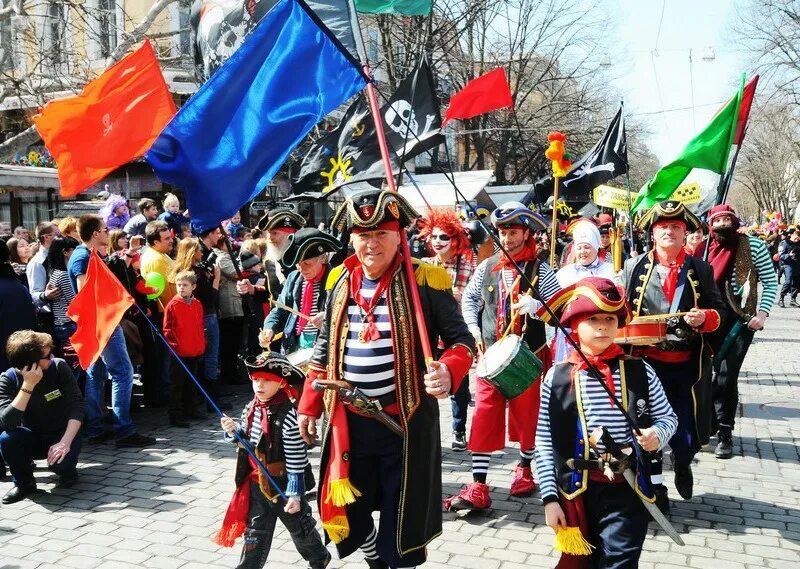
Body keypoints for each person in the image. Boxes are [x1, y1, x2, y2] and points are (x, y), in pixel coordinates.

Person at [297, 190, 475, 568]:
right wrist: (309, 404)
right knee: (351, 514)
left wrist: (448, 369)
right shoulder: (338, 281)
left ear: (399, 236)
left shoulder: (426, 280)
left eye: (381, 233)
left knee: (402, 524)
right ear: (351, 239)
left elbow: (462, 341)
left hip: (404, 424)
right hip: (349, 424)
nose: (371, 243)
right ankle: (374, 556)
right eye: (363, 234)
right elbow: (324, 348)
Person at [534, 278, 677, 568]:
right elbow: (544, 442)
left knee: (619, 560)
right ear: (574, 325)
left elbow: (668, 417)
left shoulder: (640, 370)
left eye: (609, 319)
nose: (602, 326)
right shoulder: (557, 377)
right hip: (576, 492)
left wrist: (656, 435)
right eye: (592, 319)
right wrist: (549, 498)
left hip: (628, 487)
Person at [446, 201, 560, 512]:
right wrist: (472, 329)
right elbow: (469, 302)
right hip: (489, 355)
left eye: (513, 232)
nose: (507, 238)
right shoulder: (486, 267)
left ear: (526, 233)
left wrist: (536, 308)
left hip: (528, 356)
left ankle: (524, 467)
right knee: (483, 416)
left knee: (529, 418)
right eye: (503, 232)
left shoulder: (542, 270)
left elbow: (560, 310)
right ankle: (479, 483)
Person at [621, 200, 724, 507]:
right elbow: (623, 310)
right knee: (645, 426)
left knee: (685, 429)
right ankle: (657, 489)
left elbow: (718, 311)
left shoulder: (700, 268)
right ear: (654, 234)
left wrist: (704, 317)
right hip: (645, 362)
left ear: (684, 234)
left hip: (686, 367)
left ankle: (682, 461)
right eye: (663, 227)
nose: (670, 232)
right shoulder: (633, 265)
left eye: (676, 228)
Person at [216, 352, 330, 569]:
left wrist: (295, 495)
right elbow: (247, 440)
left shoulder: (289, 417)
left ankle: (318, 557)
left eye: (266, 380)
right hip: (257, 483)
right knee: (255, 532)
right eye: (256, 379)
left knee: (300, 528)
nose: (259, 385)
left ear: (281, 381)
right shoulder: (251, 408)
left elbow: (297, 460)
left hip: (283, 485)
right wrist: (234, 431)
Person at [694, 205, 778, 458]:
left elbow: (770, 281)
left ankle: (725, 433)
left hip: (739, 320)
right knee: (704, 376)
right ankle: (706, 424)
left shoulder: (753, 246)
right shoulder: (702, 248)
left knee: (726, 377)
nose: (721, 223)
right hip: (707, 320)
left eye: (725, 219)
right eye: (716, 220)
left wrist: (761, 314)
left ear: (734, 221)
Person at [68, 214, 155, 448]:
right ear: (95, 233)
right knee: (123, 372)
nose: (108, 232)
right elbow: (85, 293)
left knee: (96, 375)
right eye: (105, 229)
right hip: (102, 324)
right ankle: (124, 430)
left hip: (101, 322)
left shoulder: (92, 255)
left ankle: (96, 428)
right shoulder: (83, 257)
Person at [0, 330, 86, 503]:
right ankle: (24, 484)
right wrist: (28, 385)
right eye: (47, 355)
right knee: (7, 438)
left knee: (61, 466)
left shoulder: (58, 366)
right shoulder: (8, 378)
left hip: (63, 434)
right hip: (34, 436)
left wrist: (65, 442)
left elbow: (77, 405)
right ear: (32, 364)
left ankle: (68, 471)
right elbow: (7, 422)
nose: (52, 356)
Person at [418, 209, 477, 452]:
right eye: (434, 237)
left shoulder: (467, 265)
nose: (438, 242)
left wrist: (459, 298)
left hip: (456, 334)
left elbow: (476, 299)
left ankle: (459, 428)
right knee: (427, 384)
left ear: (456, 240)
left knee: (459, 387)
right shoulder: (424, 266)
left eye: (444, 237)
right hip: (431, 336)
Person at [258, 228, 341, 355]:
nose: (301, 269)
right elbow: (279, 310)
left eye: (307, 263)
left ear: (323, 258)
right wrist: (269, 328)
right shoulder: (294, 277)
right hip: (294, 345)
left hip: (325, 348)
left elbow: (346, 316)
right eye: (298, 264)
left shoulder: (337, 279)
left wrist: (328, 318)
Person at [552, 220, 616, 363]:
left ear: (596, 247)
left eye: (587, 247)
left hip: (602, 331)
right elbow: (553, 305)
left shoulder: (610, 270)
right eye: (579, 248)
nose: (583, 252)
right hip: (571, 335)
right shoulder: (563, 274)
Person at [162, 270, 206, 427]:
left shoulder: (197, 304)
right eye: (179, 285)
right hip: (179, 352)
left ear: (193, 286)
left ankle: (190, 409)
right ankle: (175, 414)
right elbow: (167, 329)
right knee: (177, 384)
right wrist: (174, 346)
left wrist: (201, 344)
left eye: (185, 285)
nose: (181, 288)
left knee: (191, 381)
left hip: (193, 349)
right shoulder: (172, 305)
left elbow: (199, 326)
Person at [256, 207, 306, 293]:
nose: (270, 237)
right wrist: (252, 289)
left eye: (275, 233)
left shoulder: (305, 259)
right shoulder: (269, 261)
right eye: (268, 233)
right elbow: (271, 293)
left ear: (289, 235)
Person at [27, 222, 59, 333]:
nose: (61, 237)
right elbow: (34, 294)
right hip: (50, 321)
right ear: (47, 237)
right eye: (57, 234)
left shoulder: (59, 256)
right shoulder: (37, 263)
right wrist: (45, 295)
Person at [778, 229, 800, 307]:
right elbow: (781, 255)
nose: (797, 239)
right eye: (796, 237)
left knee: (797, 282)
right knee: (788, 281)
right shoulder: (784, 243)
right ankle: (781, 298)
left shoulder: (798, 243)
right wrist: (789, 255)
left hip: (798, 264)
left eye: (798, 238)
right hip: (788, 264)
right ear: (791, 235)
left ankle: (793, 299)